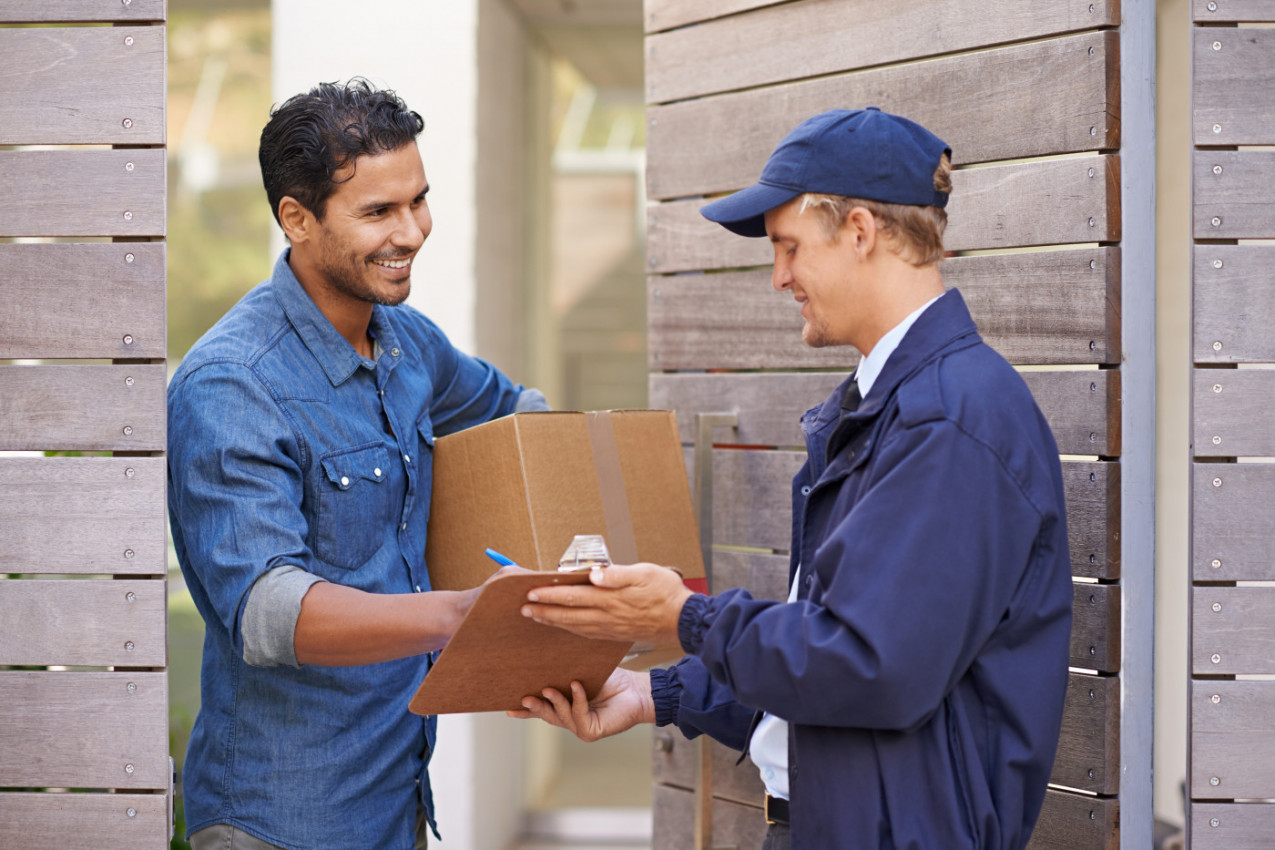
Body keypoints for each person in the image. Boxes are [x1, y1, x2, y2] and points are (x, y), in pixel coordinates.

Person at [513, 107, 1073, 850]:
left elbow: (869, 666)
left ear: (860, 231)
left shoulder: (948, 422)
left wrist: (682, 618)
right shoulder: (895, 406)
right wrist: (656, 692)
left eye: (788, 247)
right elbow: (828, 649)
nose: (779, 277)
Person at [167, 78, 546, 850]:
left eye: (418, 201)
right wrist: (466, 613)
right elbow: (268, 613)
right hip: (281, 819)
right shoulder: (232, 382)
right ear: (297, 219)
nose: (411, 232)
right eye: (378, 212)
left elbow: (519, 417)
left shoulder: (409, 342)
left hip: (394, 798)